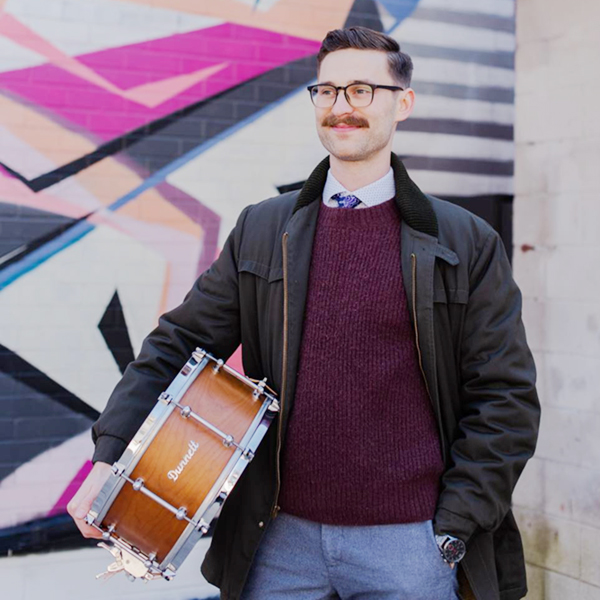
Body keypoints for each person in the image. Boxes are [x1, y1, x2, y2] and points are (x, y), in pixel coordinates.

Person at [68, 26, 540, 600]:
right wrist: (109, 458)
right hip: (279, 540)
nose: (342, 107)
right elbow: (178, 342)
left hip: (409, 546)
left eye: (362, 90)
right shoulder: (263, 229)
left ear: (403, 104)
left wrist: (451, 530)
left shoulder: (465, 242)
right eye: (328, 91)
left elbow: (506, 399)